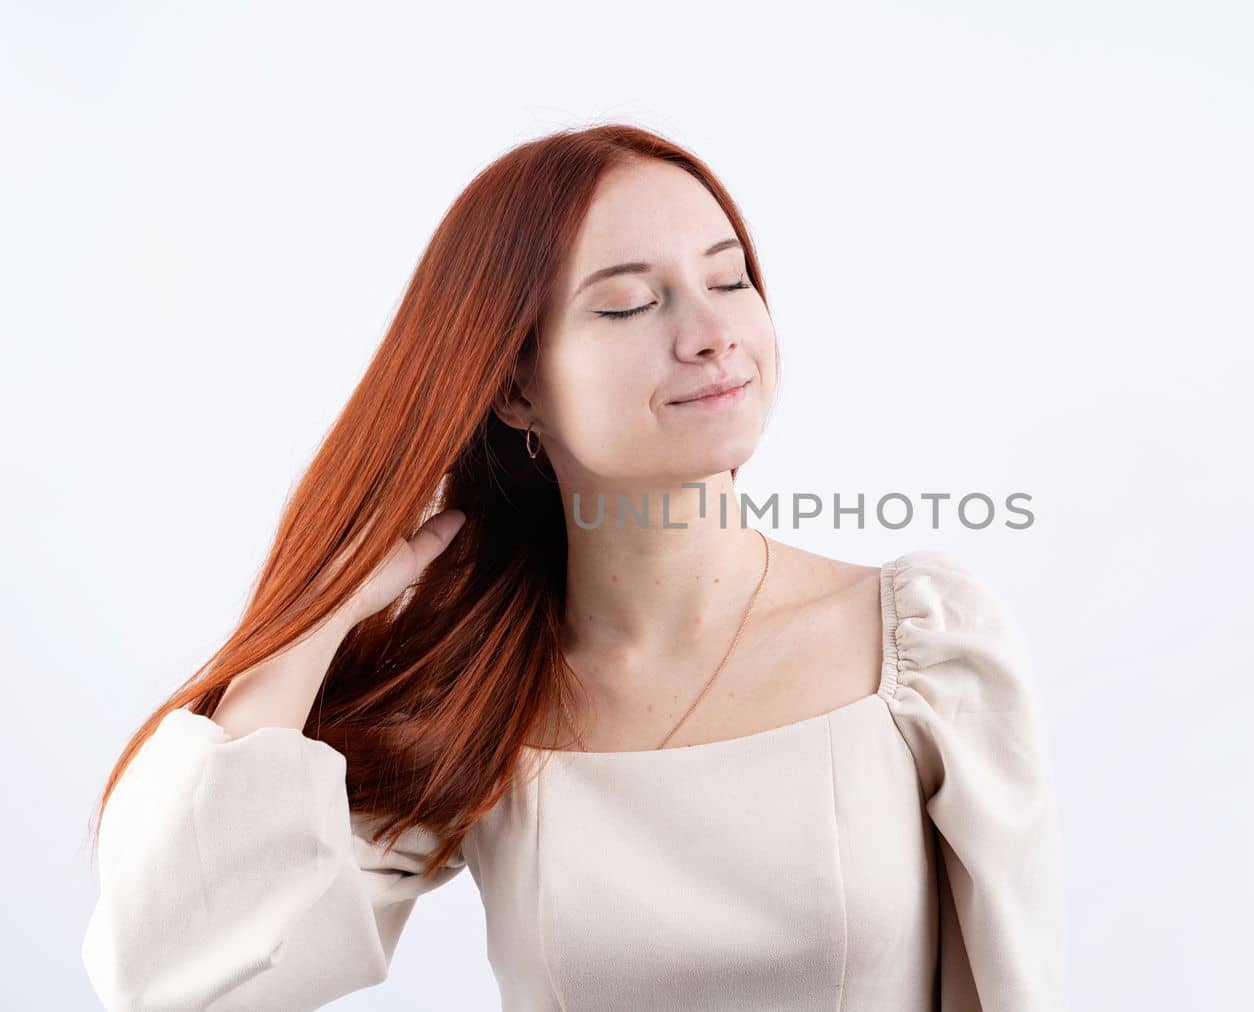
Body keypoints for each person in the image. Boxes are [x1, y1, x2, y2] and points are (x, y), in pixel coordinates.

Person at [80, 123, 1067, 1011]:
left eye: (729, 280)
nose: (712, 332)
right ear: (515, 387)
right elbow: (175, 983)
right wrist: (311, 623)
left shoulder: (920, 650)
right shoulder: (480, 694)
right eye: (631, 304)